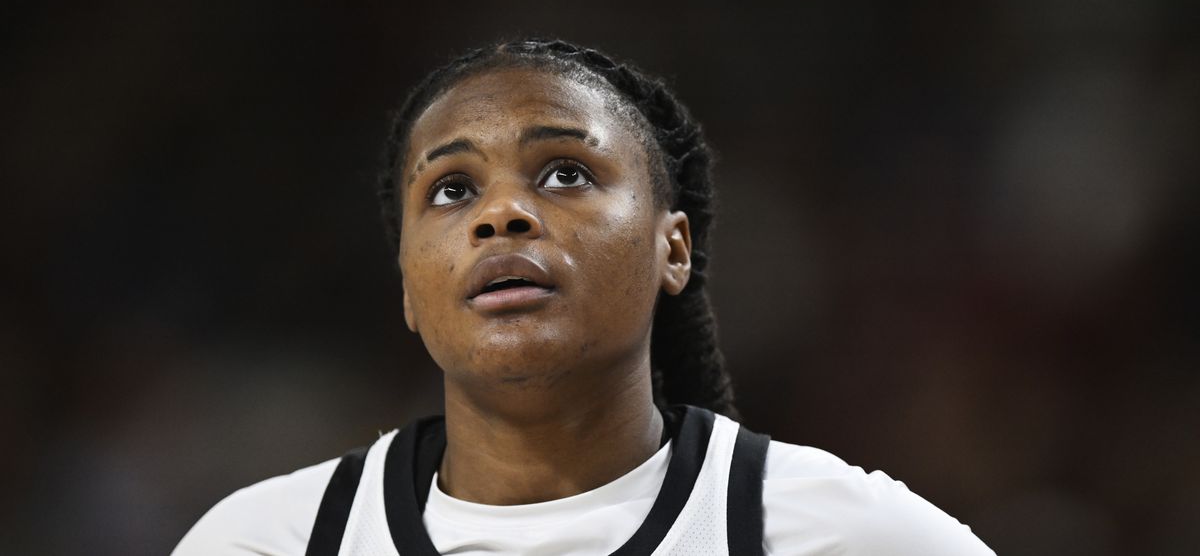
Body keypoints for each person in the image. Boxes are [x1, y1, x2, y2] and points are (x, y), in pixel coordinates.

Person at [173, 38, 995, 555]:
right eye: (452, 189)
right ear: (408, 288)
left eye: (565, 172)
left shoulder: (841, 532)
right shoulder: (265, 541)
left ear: (674, 248)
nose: (501, 213)